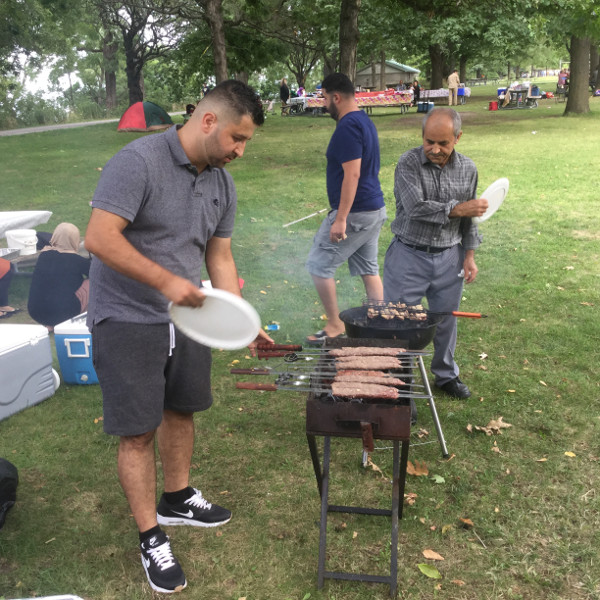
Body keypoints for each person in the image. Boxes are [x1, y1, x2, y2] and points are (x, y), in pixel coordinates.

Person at [84, 80, 272, 594]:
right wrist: (166, 281)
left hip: (188, 318)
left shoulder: (221, 184)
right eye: (237, 138)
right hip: (126, 316)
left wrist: (240, 312)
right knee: (138, 431)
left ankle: (178, 495)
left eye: (247, 142)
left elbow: (220, 255)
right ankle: (151, 534)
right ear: (208, 121)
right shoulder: (138, 161)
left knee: (182, 409)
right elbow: (98, 237)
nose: (240, 150)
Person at [383, 108, 488, 399]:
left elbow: (470, 219)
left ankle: (445, 375)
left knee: (445, 319)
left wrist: (469, 256)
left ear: (457, 137)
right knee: (400, 322)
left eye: (443, 143)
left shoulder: (468, 168)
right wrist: (458, 208)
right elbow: (416, 208)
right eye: (429, 141)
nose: (435, 149)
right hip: (408, 255)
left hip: (448, 257)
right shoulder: (408, 162)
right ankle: (401, 385)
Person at [305, 73, 387, 345]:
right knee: (368, 268)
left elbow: (352, 174)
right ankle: (379, 325)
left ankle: (334, 324)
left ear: (336, 97)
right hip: (373, 210)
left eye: (325, 98)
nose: (324, 104)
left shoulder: (347, 126)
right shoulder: (364, 121)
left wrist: (340, 219)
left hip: (355, 214)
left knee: (318, 265)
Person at [27, 222, 90, 329]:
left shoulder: (44, 255)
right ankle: (86, 319)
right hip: (64, 313)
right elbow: (96, 273)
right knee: (94, 282)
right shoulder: (77, 260)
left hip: (36, 312)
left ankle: (51, 325)